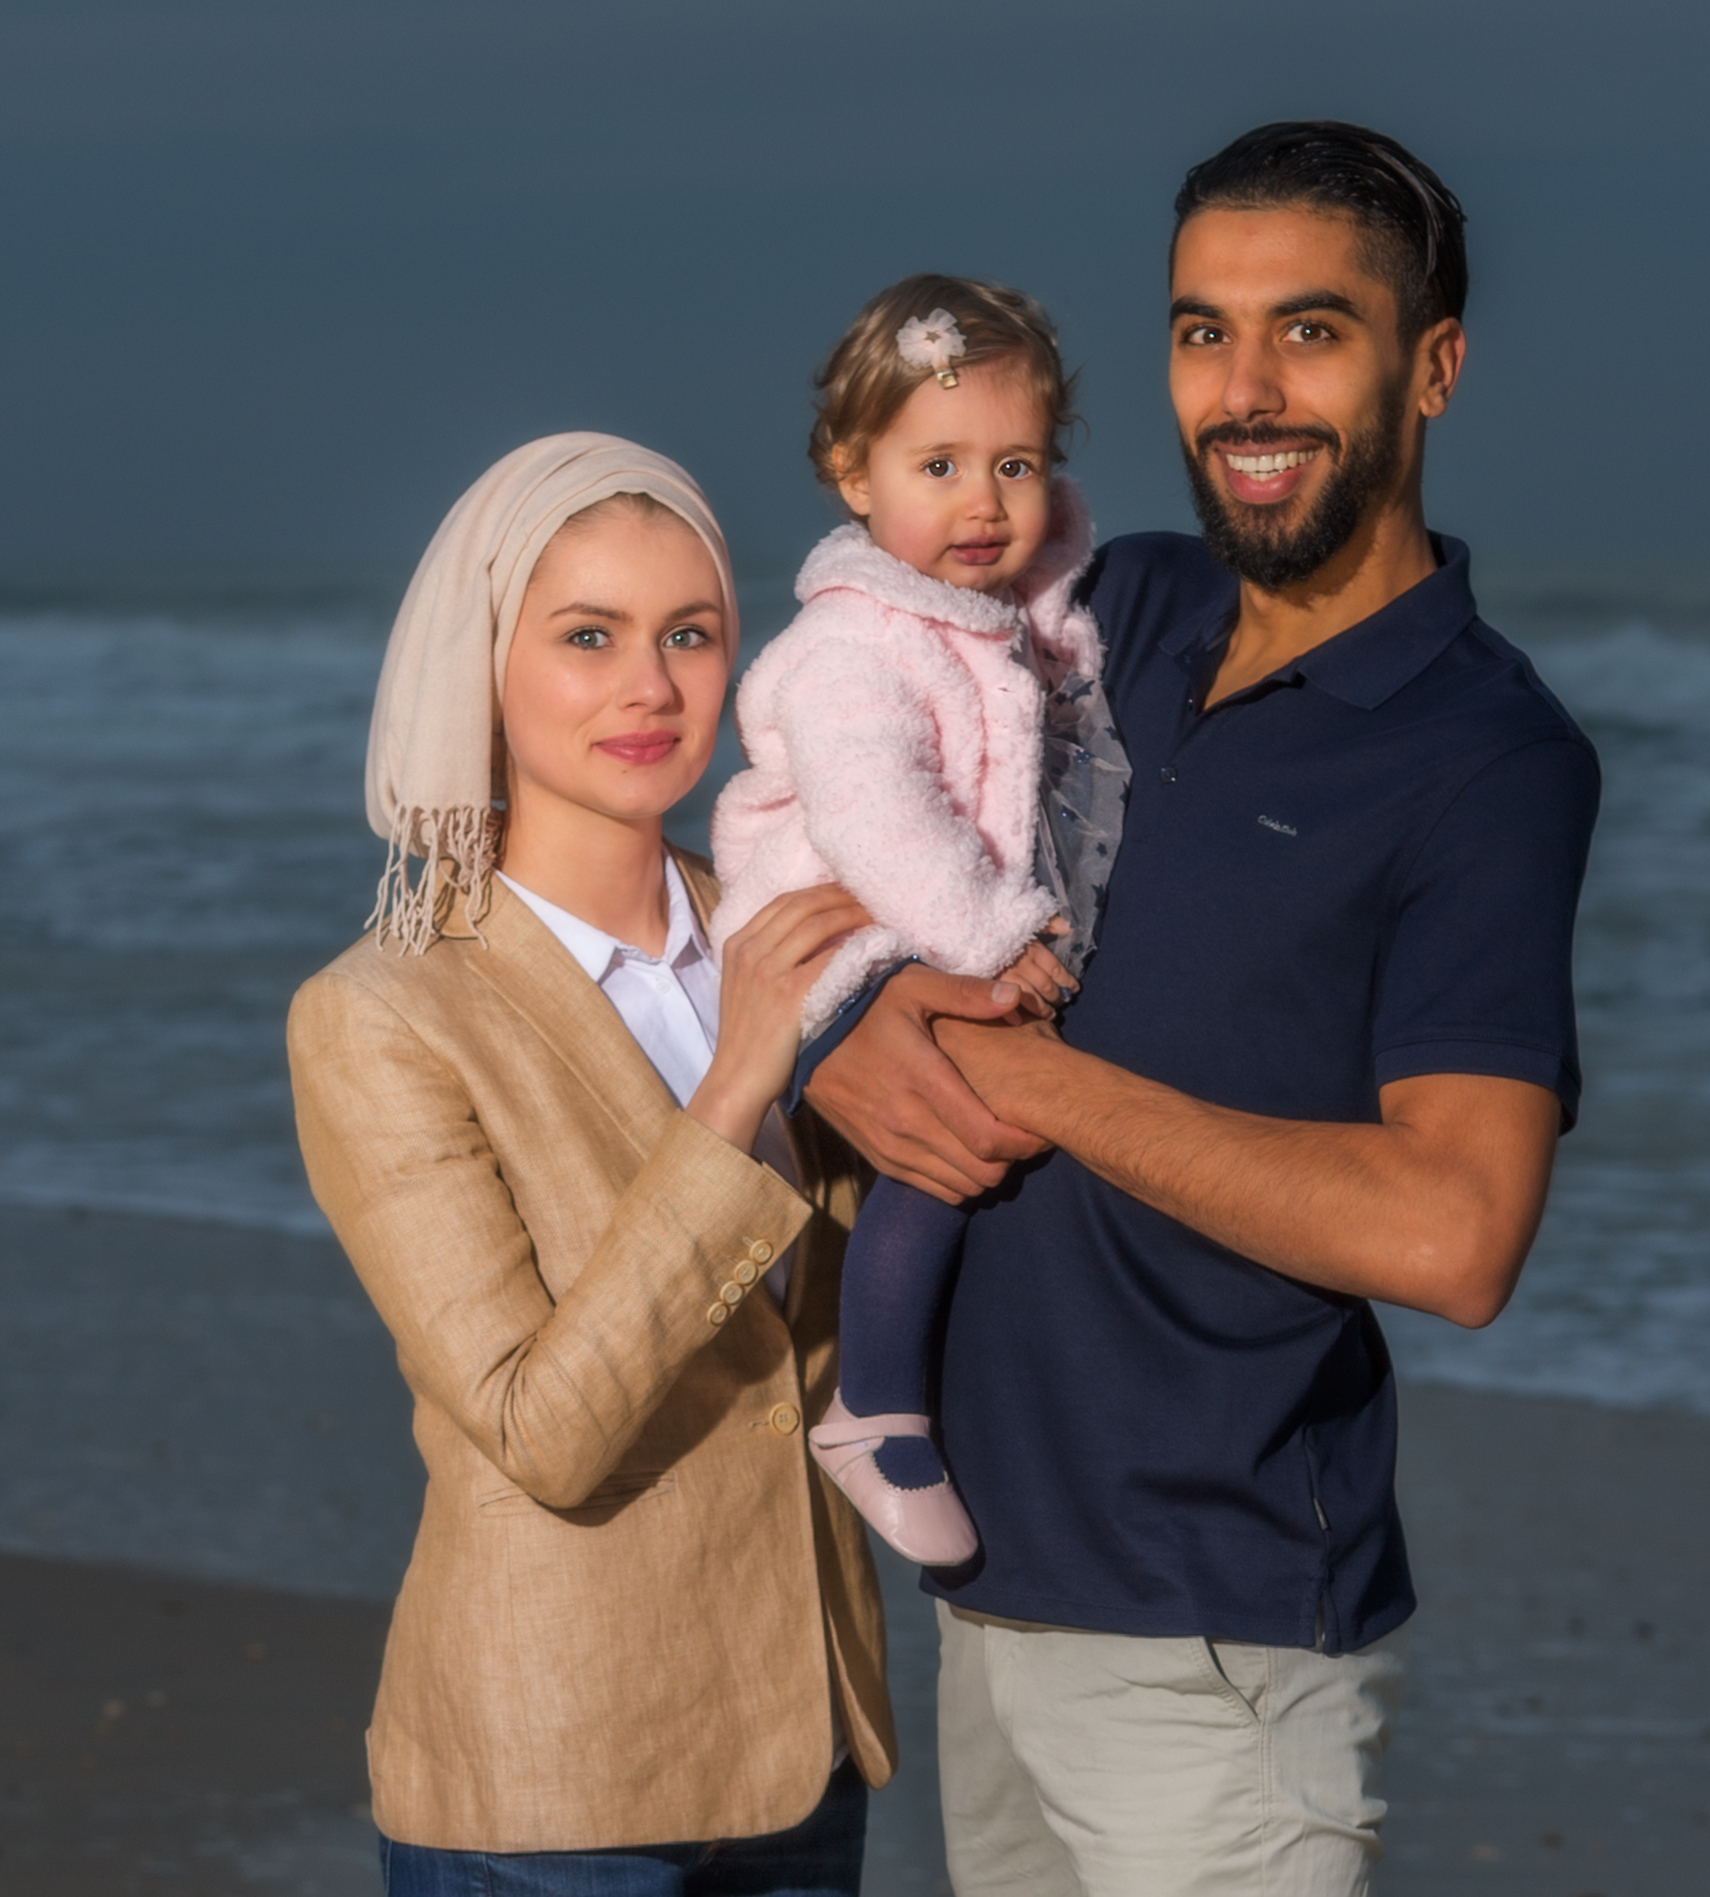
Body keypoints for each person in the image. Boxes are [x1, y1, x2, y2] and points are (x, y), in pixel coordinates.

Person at [802, 122, 1602, 1895]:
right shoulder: (1113, 606)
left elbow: (1457, 1228)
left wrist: (1034, 1075)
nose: (1244, 390)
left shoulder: (1487, 758)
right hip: (982, 1586)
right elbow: (840, 772)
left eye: (1310, 331)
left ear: (1436, 365)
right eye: (1198, 330)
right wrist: (852, 1028)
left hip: (1217, 1635)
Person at [287, 433, 896, 1896]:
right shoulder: (381, 1014)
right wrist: (741, 1077)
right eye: (588, 636)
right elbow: (540, 1427)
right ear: (484, 663)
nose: (652, 685)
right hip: (546, 1784)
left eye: (691, 633)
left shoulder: (790, 932)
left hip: (800, 1750)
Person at [709, 275, 1125, 1569]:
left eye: (1017, 464)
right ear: (852, 470)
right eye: (937, 464)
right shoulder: (852, 648)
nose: (983, 502)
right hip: (828, 927)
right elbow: (882, 816)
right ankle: (873, 1401)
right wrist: (998, 935)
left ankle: (941, 1371)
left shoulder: (1007, 613)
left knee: (998, 1122)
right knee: (950, 1140)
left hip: (925, 920)